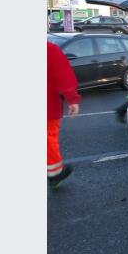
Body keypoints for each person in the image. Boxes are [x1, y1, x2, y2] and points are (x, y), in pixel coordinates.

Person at [47, 41, 81, 188]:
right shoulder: (49, 49)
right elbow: (63, 75)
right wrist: (72, 99)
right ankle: (54, 174)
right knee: (48, 140)